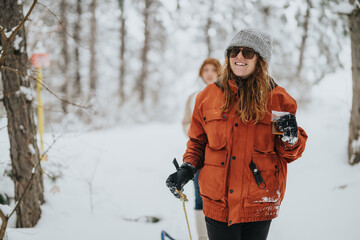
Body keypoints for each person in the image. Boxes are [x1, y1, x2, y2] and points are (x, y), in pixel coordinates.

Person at [166, 28, 308, 240]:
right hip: (218, 200)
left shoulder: (277, 99)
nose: (239, 56)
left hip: (258, 200)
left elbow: (289, 153)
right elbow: (197, 141)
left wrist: (291, 137)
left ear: (260, 59)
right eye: (234, 51)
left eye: (247, 52)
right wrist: (187, 167)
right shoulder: (207, 96)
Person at [182, 58, 222, 240]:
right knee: (200, 198)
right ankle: (202, 237)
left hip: (221, 158)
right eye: (206, 69)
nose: (209, 73)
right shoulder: (194, 98)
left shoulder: (226, 95)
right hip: (201, 157)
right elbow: (186, 123)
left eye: (213, 69)